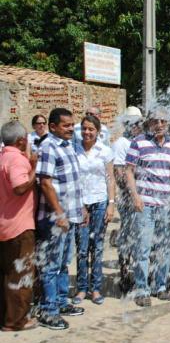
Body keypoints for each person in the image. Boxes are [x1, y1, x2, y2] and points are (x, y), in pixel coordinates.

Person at [36, 108, 85, 330]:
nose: (71, 129)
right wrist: (59, 213)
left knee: (64, 263)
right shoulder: (48, 147)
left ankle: (61, 302)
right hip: (55, 219)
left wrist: (80, 208)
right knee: (51, 265)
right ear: (53, 127)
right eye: (66, 125)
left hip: (70, 216)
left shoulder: (68, 146)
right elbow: (45, 182)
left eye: (71, 125)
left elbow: (72, 182)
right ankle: (48, 311)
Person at [126, 108, 170, 307]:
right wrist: (135, 197)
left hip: (164, 205)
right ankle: (141, 289)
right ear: (149, 123)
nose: (159, 125)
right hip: (144, 204)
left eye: (163, 121)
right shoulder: (138, 142)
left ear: (168, 124)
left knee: (164, 248)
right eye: (155, 121)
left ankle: (161, 287)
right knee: (143, 247)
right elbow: (128, 171)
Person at [71, 115, 115, 306]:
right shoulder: (74, 149)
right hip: (80, 204)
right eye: (84, 128)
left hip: (99, 202)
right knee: (81, 249)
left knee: (97, 247)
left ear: (98, 131)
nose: (87, 132)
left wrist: (111, 204)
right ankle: (81, 288)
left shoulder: (105, 151)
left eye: (91, 129)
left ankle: (96, 288)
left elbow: (110, 178)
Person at [0, 121, 37, 331]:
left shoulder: (3, 156)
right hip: (19, 226)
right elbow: (20, 187)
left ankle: (6, 316)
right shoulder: (16, 160)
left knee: (6, 274)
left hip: (4, 224)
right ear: (22, 140)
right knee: (21, 275)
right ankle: (17, 321)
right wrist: (35, 169)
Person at [111, 106, 143, 294]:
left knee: (140, 237)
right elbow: (119, 173)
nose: (135, 126)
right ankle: (125, 274)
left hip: (141, 196)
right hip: (127, 198)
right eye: (132, 123)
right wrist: (134, 186)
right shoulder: (121, 144)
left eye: (138, 123)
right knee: (128, 236)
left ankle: (136, 273)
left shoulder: (140, 141)